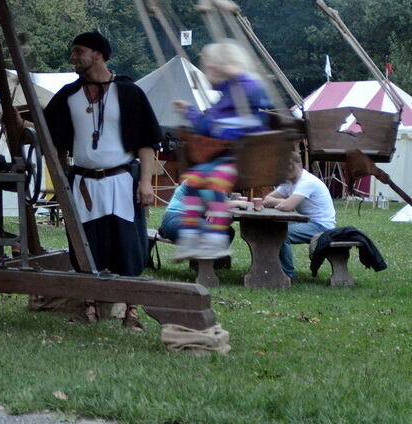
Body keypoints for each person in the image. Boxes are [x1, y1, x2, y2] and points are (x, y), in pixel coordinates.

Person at [42, 30, 162, 331]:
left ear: (98, 54)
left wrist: (145, 182)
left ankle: (131, 313)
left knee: (129, 248)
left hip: (120, 181)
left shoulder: (128, 92)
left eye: (78, 51)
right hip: (83, 184)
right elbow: (45, 129)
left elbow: (147, 141)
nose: (73, 57)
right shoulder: (69, 95)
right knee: (85, 248)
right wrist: (19, 124)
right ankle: (89, 309)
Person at [171, 41, 272, 261]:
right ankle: (189, 238)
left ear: (222, 66)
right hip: (223, 157)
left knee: (215, 181)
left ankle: (216, 239)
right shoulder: (223, 99)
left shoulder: (247, 86)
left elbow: (260, 94)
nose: (206, 72)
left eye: (208, 67)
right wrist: (189, 112)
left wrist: (235, 72)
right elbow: (208, 126)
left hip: (243, 156)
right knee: (194, 180)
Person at [262, 151, 336, 281]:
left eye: (290, 165)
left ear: (299, 165)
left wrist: (286, 202)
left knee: (281, 234)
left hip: (321, 225)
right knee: (269, 228)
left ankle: (287, 275)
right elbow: (267, 200)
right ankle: (270, 267)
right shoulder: (288, 182)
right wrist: (285, 201)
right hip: (307, 222)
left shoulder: (307, 182)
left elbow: (287, 207)